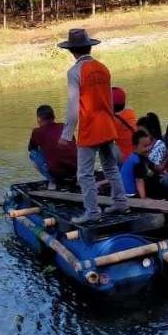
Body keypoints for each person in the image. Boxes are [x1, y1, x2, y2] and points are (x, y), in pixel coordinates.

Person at [58, 28, 129, 224]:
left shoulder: (74, 72)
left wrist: (66, 135)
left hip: (90, 128)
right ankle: (121, 202)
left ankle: (92, 211)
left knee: (84, 173)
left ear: (72, 51)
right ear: (89, 47)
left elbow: (73, 105)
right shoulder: (103, 68)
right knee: (110, 167)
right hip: (107, 124)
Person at [27, 104, 77, 187]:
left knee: (33, 153)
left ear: (39, 119)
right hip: (76, 171)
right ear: (53, 117)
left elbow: (31, 148)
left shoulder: (37, 131)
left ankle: (52, 180)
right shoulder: (64, 126)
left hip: (59, 175)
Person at [119, 129, 155, 197]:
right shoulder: (138, 161)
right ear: (135, 147)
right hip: (132, 195)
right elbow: (139, 181)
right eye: (145, 146)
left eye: (149, 145)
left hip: (123, 192)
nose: (148, 148)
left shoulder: (131, 157)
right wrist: (143, 200)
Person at [111, 86, 138, 160]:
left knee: (106, 146)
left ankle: (111, 170)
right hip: (138, 154)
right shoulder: (130, 111)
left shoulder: (112, 121)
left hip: (126, 158)